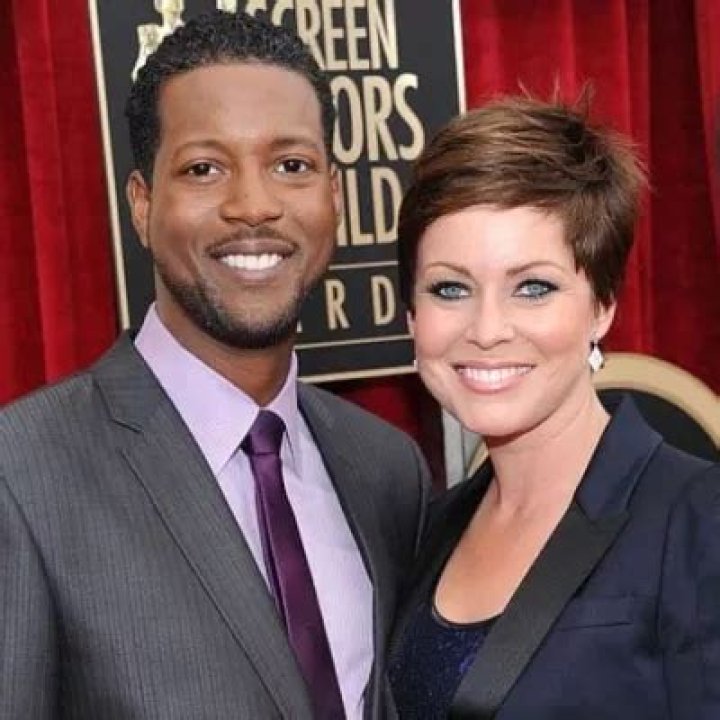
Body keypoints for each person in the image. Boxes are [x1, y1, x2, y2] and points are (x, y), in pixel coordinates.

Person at [0, 10, 430, 720]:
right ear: (142, 205)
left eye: (291, 166)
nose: (253, 206)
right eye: (204, 169)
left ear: (334, 196)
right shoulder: (21, 475)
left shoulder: (387, 470)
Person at [388, 94, 720, 719]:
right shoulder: (431, 528)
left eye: (533, 287)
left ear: (601, 306)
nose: (487, 329)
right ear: (411, 315)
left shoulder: (698, 517)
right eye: (450, 288)